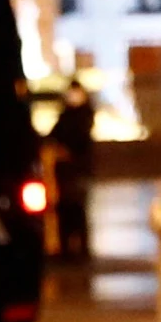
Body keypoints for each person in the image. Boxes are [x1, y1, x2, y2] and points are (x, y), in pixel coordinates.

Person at [45, 82, 96, 266]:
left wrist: (69, 153)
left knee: (77, 207)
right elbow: (52, 135)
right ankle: (67, 247)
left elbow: (81, 142)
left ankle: (80, 247)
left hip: (77, 170)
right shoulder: (66, 116)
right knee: (65, 208)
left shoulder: (84, 116)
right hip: (65, 171)